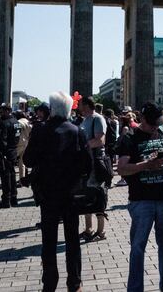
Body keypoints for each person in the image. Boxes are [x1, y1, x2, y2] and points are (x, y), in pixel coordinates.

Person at [23, 91, 92, 292]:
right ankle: (75, 283)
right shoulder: (77, 131)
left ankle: (49, 283)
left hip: (47, 193)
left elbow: (28, 160)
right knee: (72, 240)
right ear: (70, 108)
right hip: (71, 194)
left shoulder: (40, 130)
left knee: (49, 240)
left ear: (52, 109)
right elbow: (87, 164)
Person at [117, 102, 163, 292]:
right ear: (142, 119)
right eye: (152, 124)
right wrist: (146, 165)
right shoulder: (129, 137)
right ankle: (135, 288)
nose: (155, 127)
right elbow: (121, 168)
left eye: (157, 123)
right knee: (138, 247)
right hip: (141, 199)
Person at [78, 96, 109, 242]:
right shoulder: (85, 120)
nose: (78, 107)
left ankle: (101, 231)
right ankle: (88, 229)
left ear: (86, 105)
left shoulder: (98, 119)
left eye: (79, 104)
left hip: (96, 163)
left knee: (98, 194)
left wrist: (81, 146)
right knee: (87, 195)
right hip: (86, 163)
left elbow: (100, 140)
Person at [0, 104, 21, 208]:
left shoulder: (5, 123)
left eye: (3, 111)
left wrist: (1, 152)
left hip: (5, 152)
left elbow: (2, 140)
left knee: (6, 177)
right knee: (12, 175)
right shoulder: (16, 122)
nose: (1, 113)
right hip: (13, 150)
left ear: (8, 111)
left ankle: (6, 200)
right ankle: (14, 198)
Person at [15, 110, 32, 185]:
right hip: (26, 143)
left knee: (11, 161)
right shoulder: (29, 122)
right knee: (22, 163)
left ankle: (10, 180)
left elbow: (16, 133)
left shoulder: (18, 122)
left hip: (18, 143)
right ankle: (22, 181)